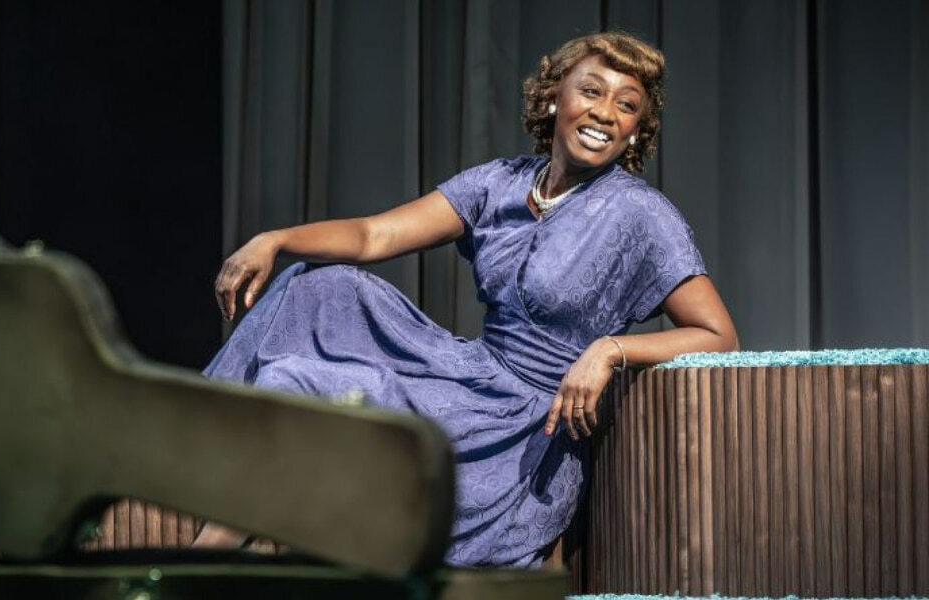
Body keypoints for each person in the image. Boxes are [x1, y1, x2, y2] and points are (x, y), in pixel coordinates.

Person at [197, 32, 738, 566]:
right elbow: (374, 237)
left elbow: (719, 337)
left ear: (636, 132)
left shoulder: (641, 213)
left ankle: (196, 568)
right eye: (591, 91)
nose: (605, 113)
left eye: (626, 106)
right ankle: (205, 512)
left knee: (302, 387)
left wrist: (608, 350)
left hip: (522, 431)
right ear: (553, 98)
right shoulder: (498, 183)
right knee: (318, 288)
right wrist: (277, 239)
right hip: (468, 376)